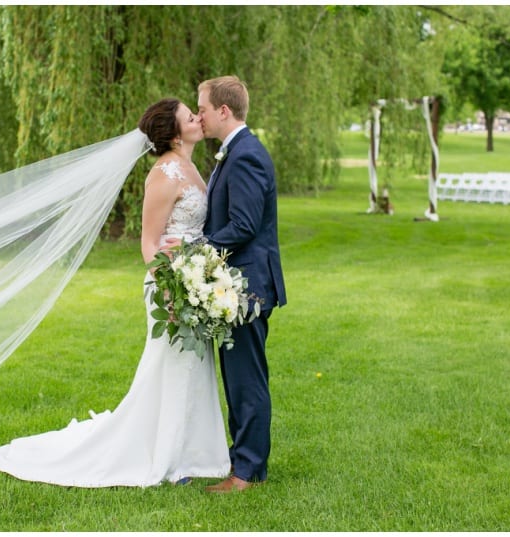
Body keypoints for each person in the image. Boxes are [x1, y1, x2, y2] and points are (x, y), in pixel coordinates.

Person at [0, 98, 230, 487]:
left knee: (194, 366)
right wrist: (171, 287)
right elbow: (149, 243)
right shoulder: (164, 174)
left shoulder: (190, 167)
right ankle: (168, 457)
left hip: (193, 280)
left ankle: (195, 453)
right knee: (168, 366)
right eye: (190, 117)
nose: (198, 119)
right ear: (172, 133)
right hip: (171, 285)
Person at [196, 76, 287, 493]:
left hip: (246, 285)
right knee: (238, 376)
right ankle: (245, 464)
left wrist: (199, 251)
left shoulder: (246, 155)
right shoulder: (235, 152)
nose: (199, 115)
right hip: (237, 283)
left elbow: (245, 225)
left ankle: (246, 473)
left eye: (202, 108)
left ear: (223, 111)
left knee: (246, 378)